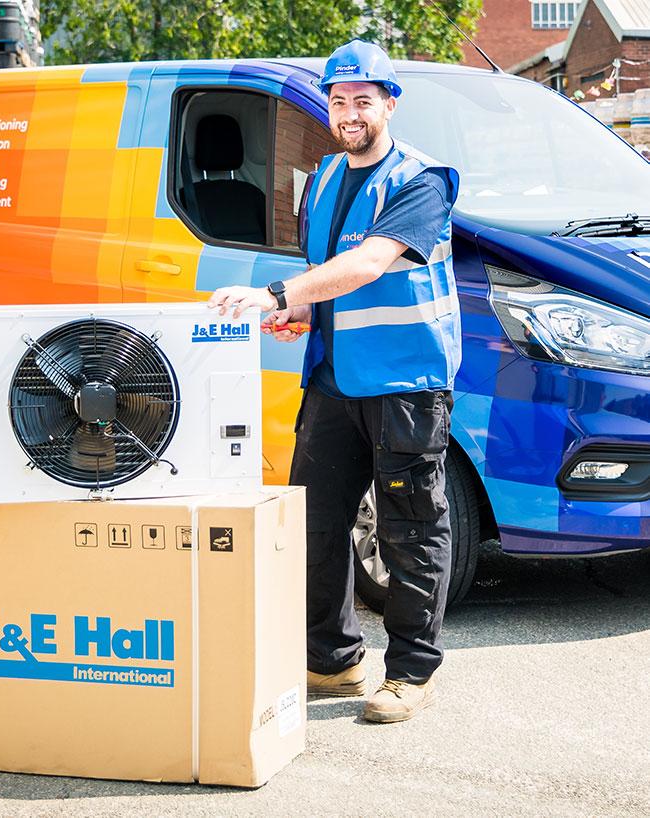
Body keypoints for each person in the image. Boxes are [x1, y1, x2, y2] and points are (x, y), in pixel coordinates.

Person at [207, 39, 461, 724]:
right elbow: (327, 275)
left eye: (363, 100)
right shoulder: (320, 177)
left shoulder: (422, 179)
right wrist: (298, 309)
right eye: (339, 100)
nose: (350, 112)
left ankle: (409, 675)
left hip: (406, 383)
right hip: (331, 377)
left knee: (411, 529)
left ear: (389, 103)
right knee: (315, 527)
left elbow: (372, 263)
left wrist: (275, 291)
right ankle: (334, 661)